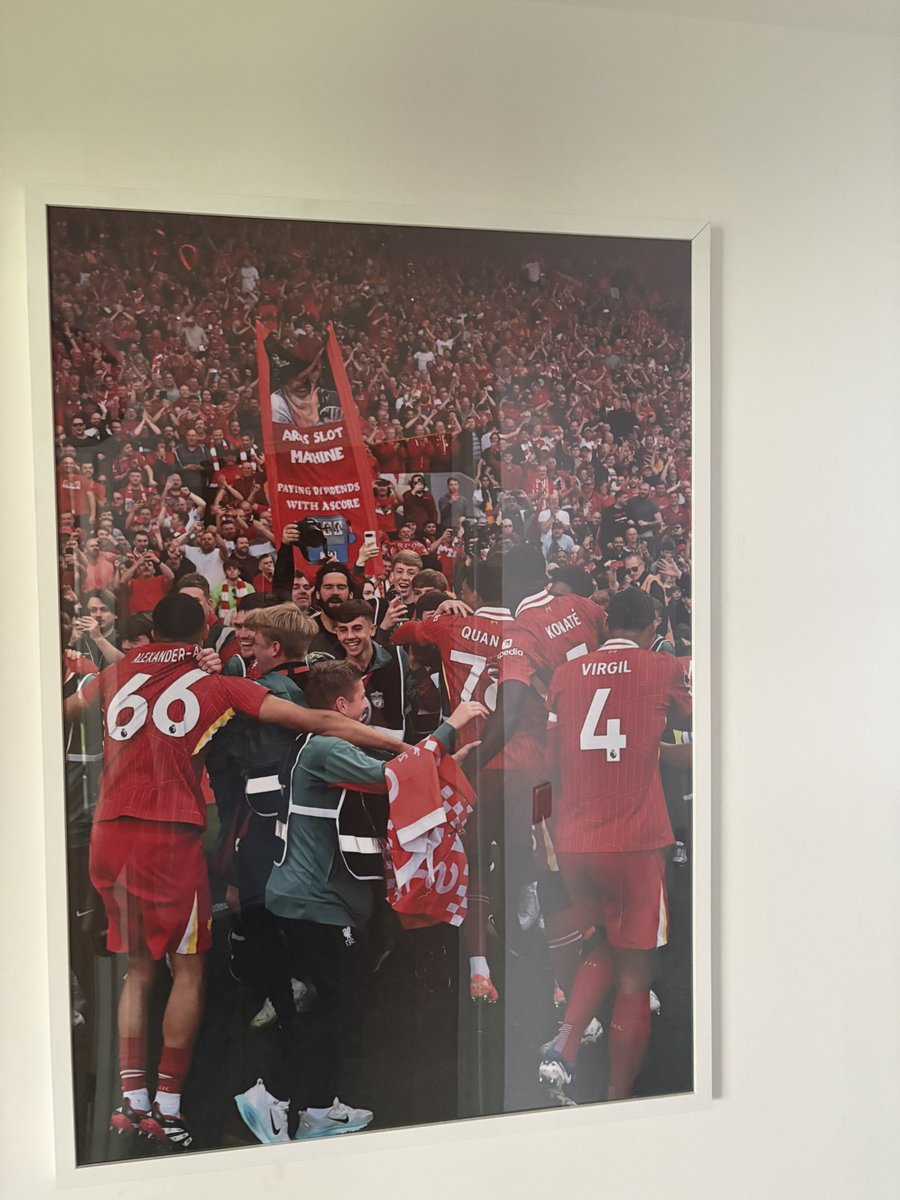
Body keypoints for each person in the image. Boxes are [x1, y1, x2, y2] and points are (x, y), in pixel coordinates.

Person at [65, 594, 414, 1152]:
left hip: (109, 829)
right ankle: (170, 1107)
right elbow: (318, 718)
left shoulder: (118, 670)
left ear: (151, 629)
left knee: (137, 967)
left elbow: (63, 713)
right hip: (167, 831)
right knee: (189, 969)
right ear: (204, 632)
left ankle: (131, 1102)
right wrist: (405, 745)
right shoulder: (217, 682)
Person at [234, 660, 484, 1142]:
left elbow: (392, 778)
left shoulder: (313, 746)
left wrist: (445, 758)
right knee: (340, 1004)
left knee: (337, 1001)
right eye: (362, 703)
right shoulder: (327, 746)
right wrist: (448, 732)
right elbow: (394, 780)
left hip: (306, 897)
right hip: (316, 902)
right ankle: (274, 1097)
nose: (367, 713)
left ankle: (318, 1108)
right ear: (342, 706)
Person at [538, 587, 692, 1104]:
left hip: (576, 839)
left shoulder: (564, 675)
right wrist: (672, 754)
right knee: (635, 975)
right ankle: (616, 1095)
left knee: (602, 939)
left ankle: (566, 1042)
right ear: (652, 628)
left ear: (606, 628)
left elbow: (553, 757)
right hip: (634, 840)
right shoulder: (664, 666)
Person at [334, 599, 414, 741]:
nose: (350, 636)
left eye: (357, 628)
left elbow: (413, 704)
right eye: (343, 630)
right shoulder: (332, 667)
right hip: (354, 756)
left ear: (372, 630)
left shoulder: (396, 657)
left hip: (395, 752)